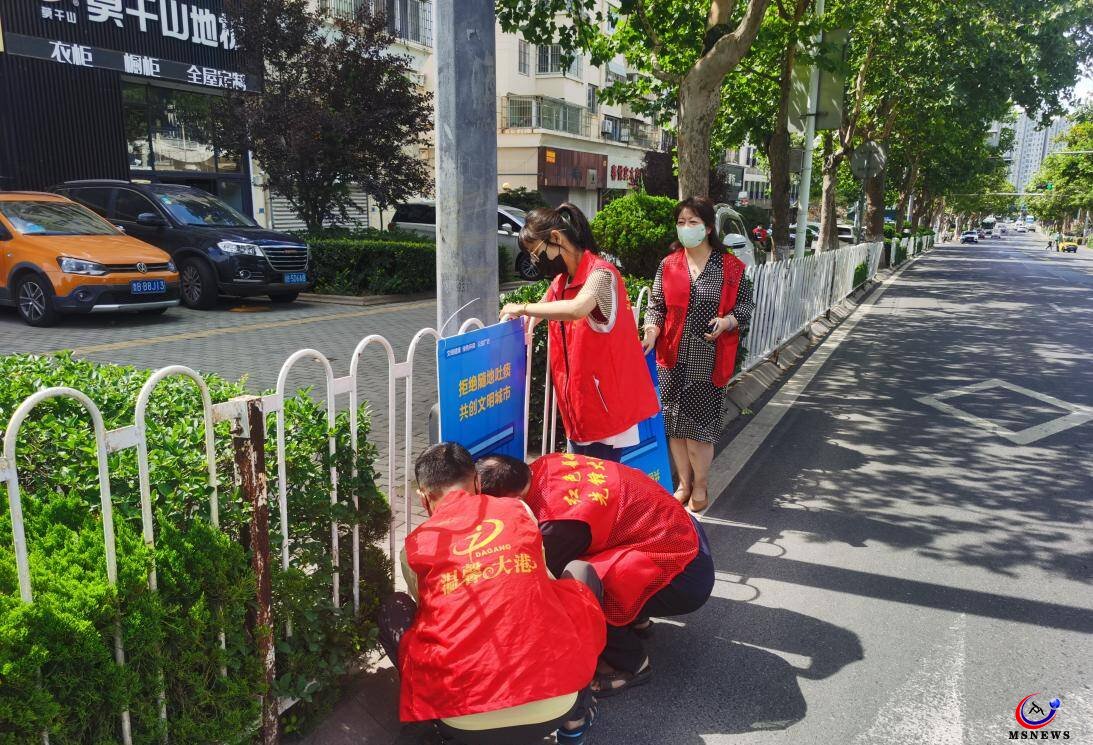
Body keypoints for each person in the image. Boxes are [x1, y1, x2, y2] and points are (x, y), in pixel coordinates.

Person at [378, 443, 606, 745]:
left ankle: (436, 725)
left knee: (394, 608)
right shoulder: (518, 511)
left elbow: (430, 617)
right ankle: (575, 719)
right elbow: (543, 580)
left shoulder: (416, 546)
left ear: (423, 497)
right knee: (577, 579)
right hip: (555, 704)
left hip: (461, 719)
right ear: (476, 481)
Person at [477, 452, 714, 699]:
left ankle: (632, 663)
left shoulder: (557, 524)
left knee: (580, 587)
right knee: (598, 553)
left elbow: (540, 581)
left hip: (682, 570)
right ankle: (637, 618)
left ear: (512, 500)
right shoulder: (547, 463)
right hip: (679, 531)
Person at [500, 202, 660, 462]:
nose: (534, 260)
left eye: (535, 251)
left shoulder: (601, 274)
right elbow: (538, 313)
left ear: (555, 238)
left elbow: (576, 309)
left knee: (599, 478)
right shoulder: (562, 281)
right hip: (579, 405)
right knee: (584, 476)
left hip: (605, 406)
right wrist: (513, 325)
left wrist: (522, 307)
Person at [641, 197, 754, 512]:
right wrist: (651, 331)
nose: (686, 228)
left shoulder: (729, 267)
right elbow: (656, 306)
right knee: (674, 424)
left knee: (699, 430)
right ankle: (683, 484)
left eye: (693, 222)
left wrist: (727, 322)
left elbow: (745, 306)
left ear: (707, 228)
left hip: (709, 357)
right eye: (681, 222)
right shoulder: (668, 264)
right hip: (671, 356)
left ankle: (700, 485)